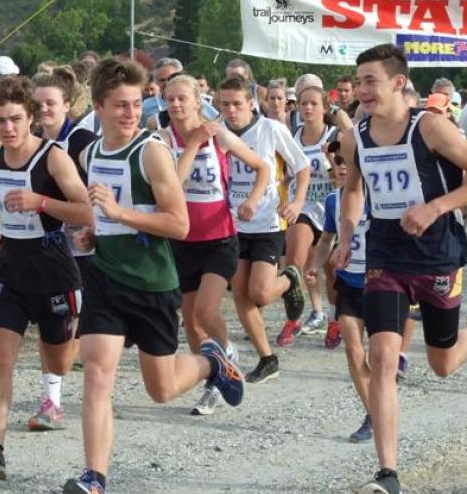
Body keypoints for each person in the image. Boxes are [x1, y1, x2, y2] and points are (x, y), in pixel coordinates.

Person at [62, 58, 244, 494]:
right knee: (97, 373)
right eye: (120, 105)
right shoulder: (90, 152)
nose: (130, 113)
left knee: (161, 389)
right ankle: (94, 477)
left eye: (136, 103)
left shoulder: (152, 152)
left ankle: (210, 362)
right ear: (100, 109)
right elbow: (105, 214)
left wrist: (119, 214)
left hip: (153, 283)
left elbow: (178, 224)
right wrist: (93, 231)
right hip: (106, 278)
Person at [332, 44, 467, 494]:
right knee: (383, 357)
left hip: (437, 254)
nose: (363, 89)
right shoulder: (355, 138)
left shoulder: (430, 127)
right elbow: (353, 190)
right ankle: (388, 474)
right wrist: (347, 235)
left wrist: (436, 207)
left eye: (371, 80)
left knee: (442, 363)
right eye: (359, 80)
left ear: (396, 82)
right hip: (385, 256)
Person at [0, 76, 92, 481]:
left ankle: (57, 384)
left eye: (15, 119)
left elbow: (88, 211)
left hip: (53, 264)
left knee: (57, 358)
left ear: (30, 117)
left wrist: (42, 202)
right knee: (0, 356)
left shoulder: (53, 157)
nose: (8, 128)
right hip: (12, 266)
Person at [158, 74, 269, 416]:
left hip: (220, 237)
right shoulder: (161, 139)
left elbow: (262, 167)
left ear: (196, 100)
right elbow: (172, 184)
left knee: (207, 311)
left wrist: (251, 200)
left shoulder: (218, 134)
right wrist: (191, 144)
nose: (175, 105)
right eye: (169, 99)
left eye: (181, 98)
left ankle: (226, 353)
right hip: (181, 240)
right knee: (191, 322)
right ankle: (214, 377)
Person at [217, 76, 310, 383]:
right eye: (225, 104)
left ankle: (290, 278)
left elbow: (302, 166)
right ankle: (267, 358)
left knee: (260, 293)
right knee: (241, 294)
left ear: (251, 104)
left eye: (237, 104)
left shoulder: (271, 128)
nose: (231, 110)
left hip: (269, 219)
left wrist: (296, 202)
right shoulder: (217, 131)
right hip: (232, 222)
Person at [29, 66, 100, 431]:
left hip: (87, 245)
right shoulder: (30, 141)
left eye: (50, 103)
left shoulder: (82, 139)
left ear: (67, 104)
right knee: (54, 321)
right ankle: (52, 400)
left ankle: (88, 388)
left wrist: (93, 226)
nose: (43, 109)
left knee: (82, 325)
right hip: (49, 248)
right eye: (37, 103)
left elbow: (101, 186)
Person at [308, 139, 373, 442]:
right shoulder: (334, 201)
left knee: (384, 357)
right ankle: (372, 412)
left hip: (382, 282)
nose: (343, 167)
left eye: (348, 162)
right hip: (348, 281)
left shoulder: (378, 196)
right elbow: (325, 241)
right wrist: (313, 265)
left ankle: (383, 405)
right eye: (337, 162)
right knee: (352, 347)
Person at [280, 80, 337, 345]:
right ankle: (300, 316)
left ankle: (334, 319)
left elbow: (345, 178)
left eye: (314, 103)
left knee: (330, 269)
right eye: (303, 104)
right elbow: (285, 172)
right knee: (296, 261)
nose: (308, 108)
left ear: (324, 107)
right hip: (302, 205)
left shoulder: (335, 135)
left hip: (331, 207)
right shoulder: (293, 135)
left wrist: (332, 161)